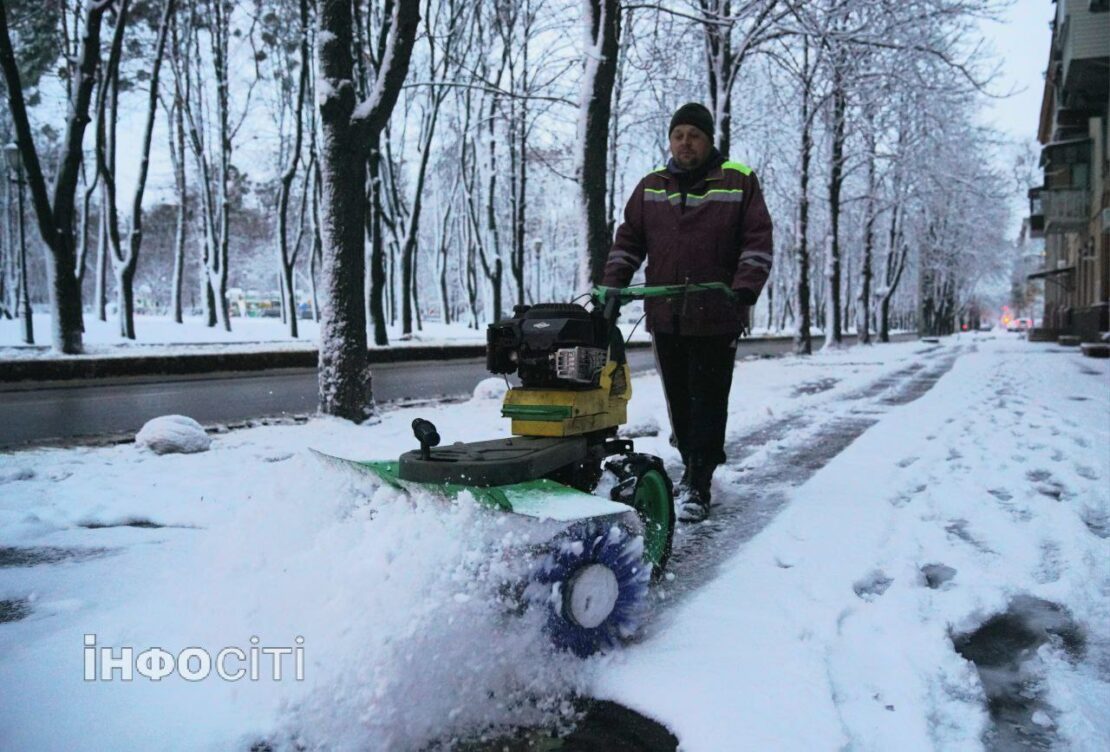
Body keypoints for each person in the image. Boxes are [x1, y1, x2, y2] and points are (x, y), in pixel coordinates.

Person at [601, 102, 774, 523]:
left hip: (716, 312)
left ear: (709, 139)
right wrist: (614, 283)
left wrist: (744, 289)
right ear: (670, 140)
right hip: (667, 314)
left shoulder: (738, 180)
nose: (685, 143)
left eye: (693, 135)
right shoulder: (650, 187)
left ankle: (700, 479)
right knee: (679, 399)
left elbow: (757, 241)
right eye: (678, 135)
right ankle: (691, 466)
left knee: (708, 398)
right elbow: (629, 241)